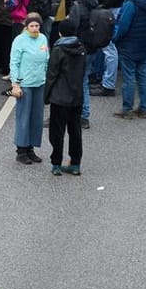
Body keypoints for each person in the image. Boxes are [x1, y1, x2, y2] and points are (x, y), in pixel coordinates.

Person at [45, 18, 87, 175]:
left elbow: (52, 74)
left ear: (61, 32)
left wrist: (46, 96)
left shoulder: (58, 50)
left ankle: (56, 163)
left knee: (57, 132)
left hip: (59, 96)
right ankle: (75, 163)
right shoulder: (81, 48)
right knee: (75, 131)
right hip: (76, 96)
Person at [8, 14, 49, 164]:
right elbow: (14, 63)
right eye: (32, 26)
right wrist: (15, 84)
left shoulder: (43, 38)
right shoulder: (19, 41)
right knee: (23, 117)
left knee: (36, 118)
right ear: (26, 26)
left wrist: (46, 79)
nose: (34, 29)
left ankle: (31, 148)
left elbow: (46, 59)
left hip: (39, 83)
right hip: (25, 84)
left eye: (37, 26)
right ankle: (21, 150)